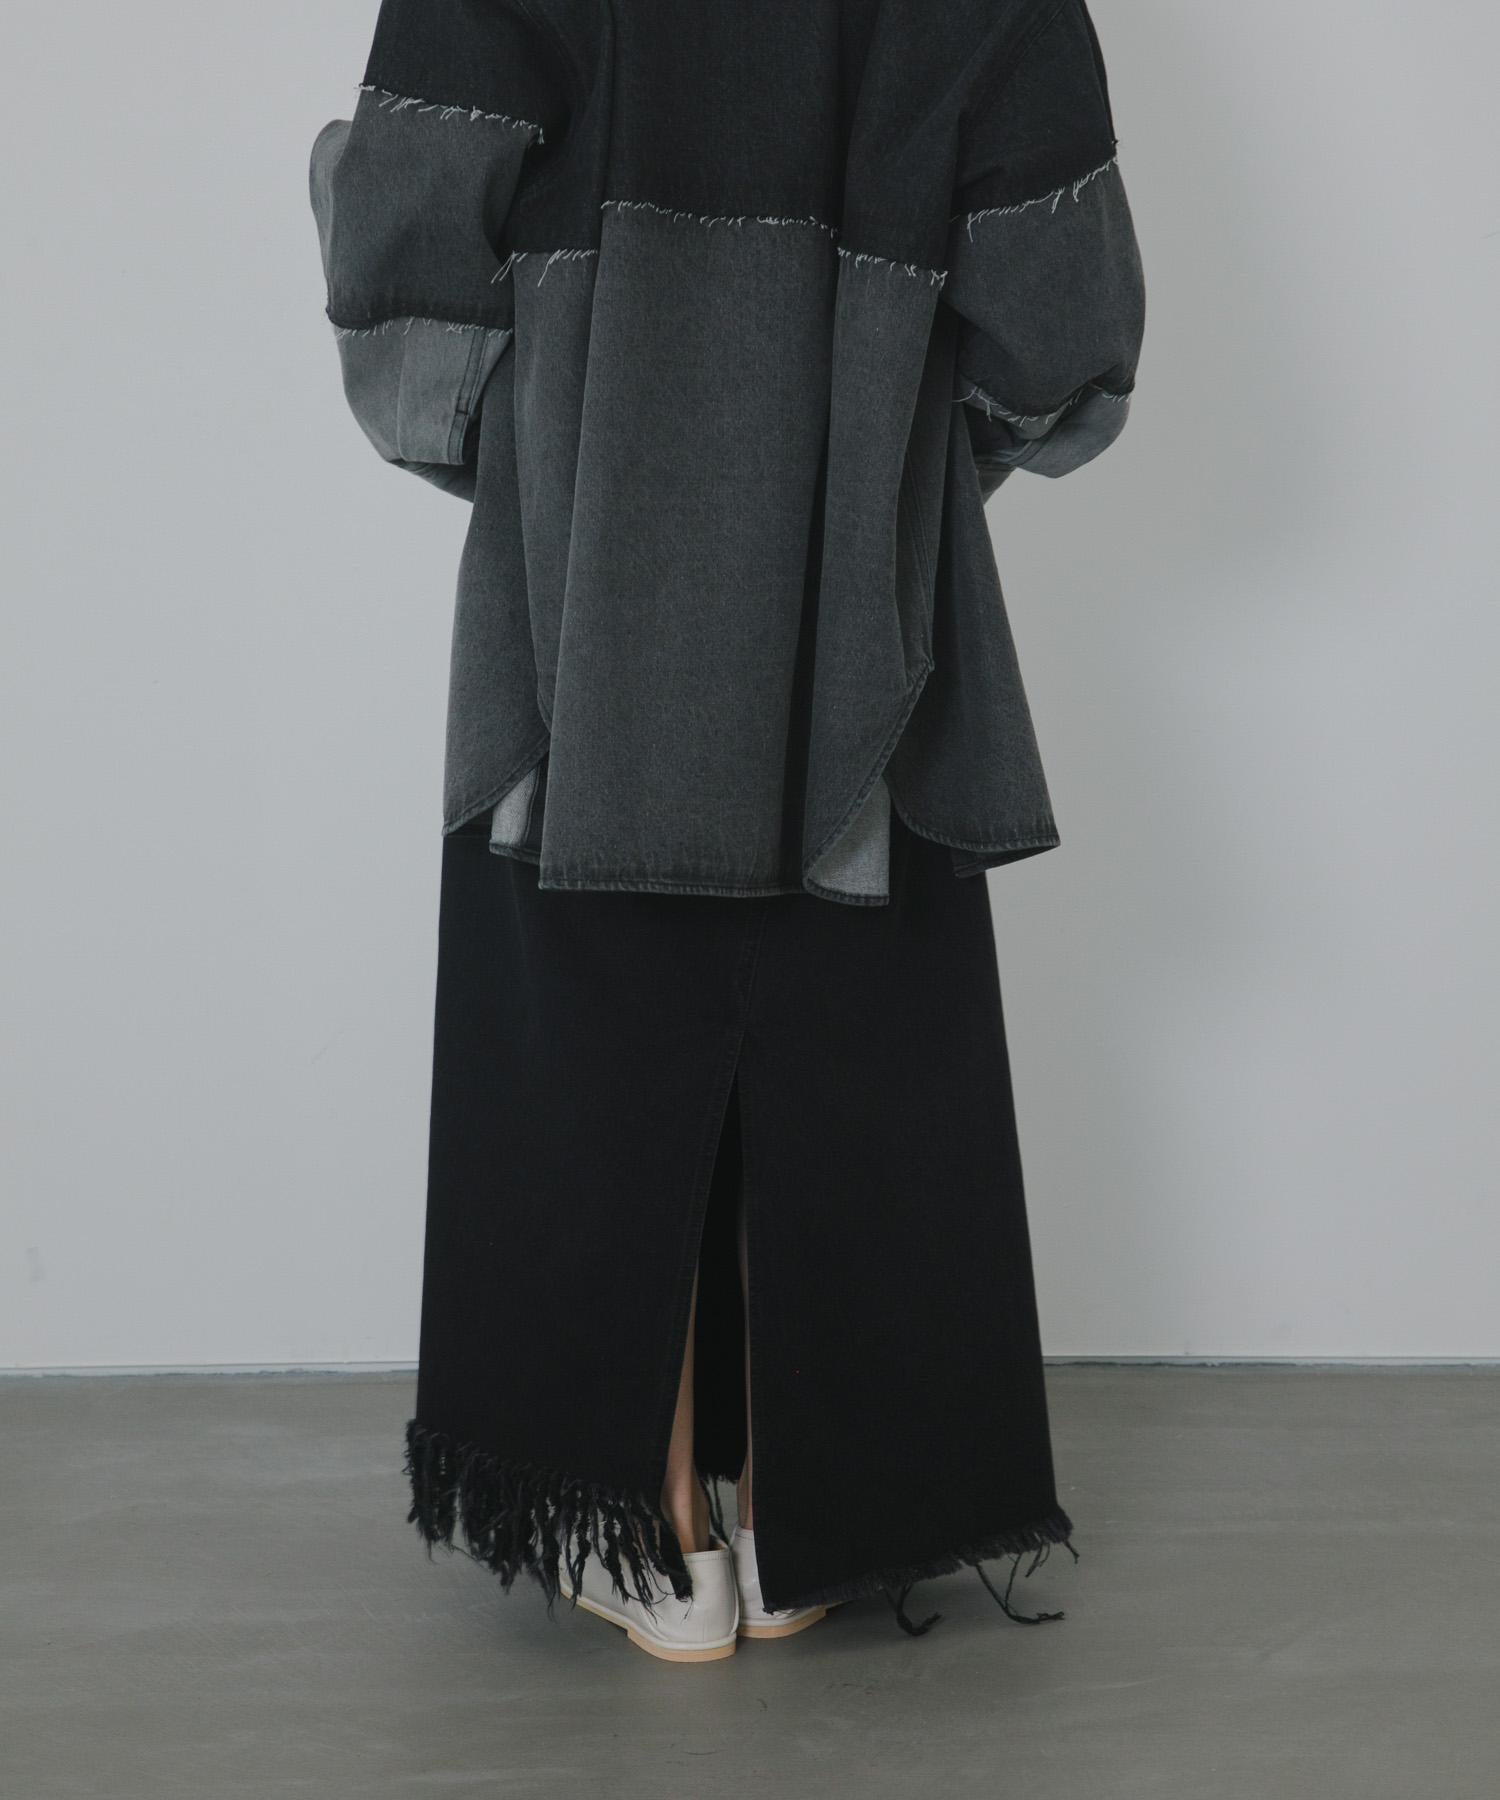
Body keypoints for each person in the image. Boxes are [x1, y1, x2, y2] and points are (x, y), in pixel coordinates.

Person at [309, 0, 1145, 1663]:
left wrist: (548, 438)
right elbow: (1062, 319)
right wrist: (898, 443)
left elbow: (404, 241)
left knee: (594, 1005)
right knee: (853, 1014)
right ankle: (816, 1516)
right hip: (866, 543)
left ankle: (647, 1517)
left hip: (585, 540)